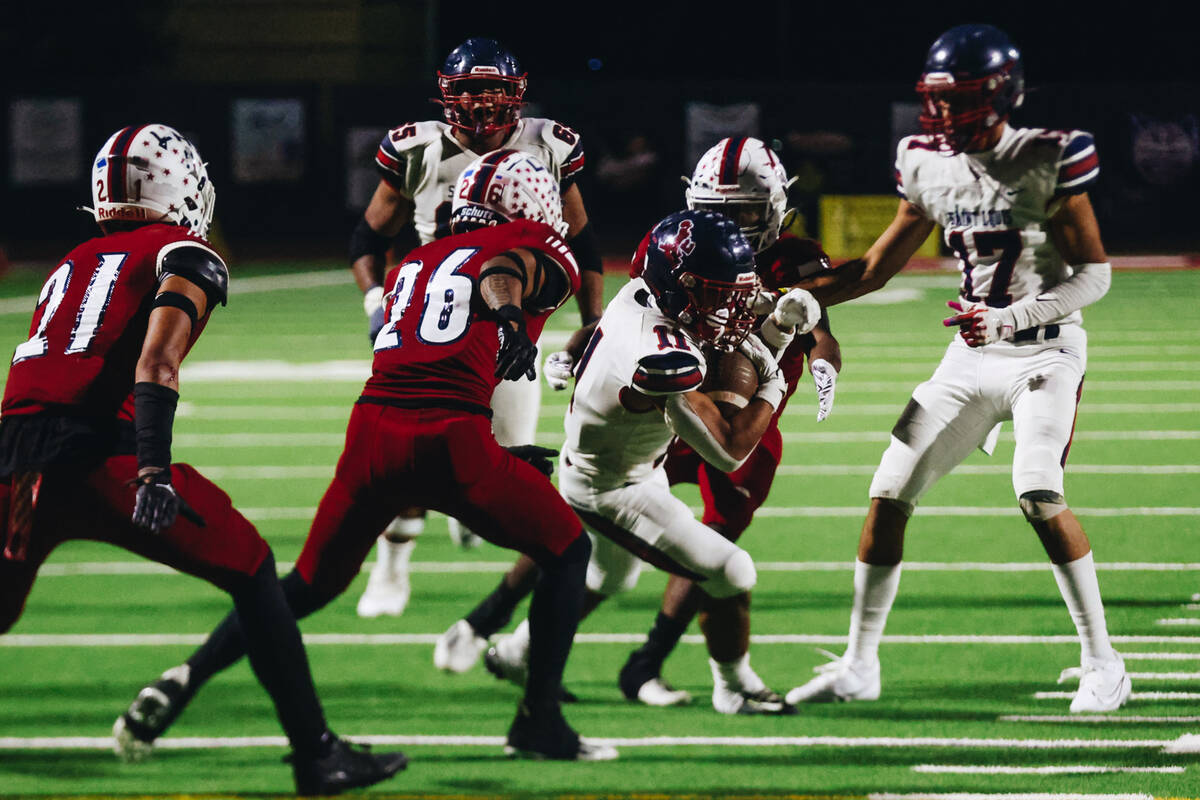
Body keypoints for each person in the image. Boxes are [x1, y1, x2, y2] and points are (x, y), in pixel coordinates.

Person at [115, 149, 617, 761]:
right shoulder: (526, 245)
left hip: (373, 432)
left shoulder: (418, 257)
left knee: (305, 584)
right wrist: (511, 317)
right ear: (529, 208)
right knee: (568, 550)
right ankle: (539, 723)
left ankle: (183, 678)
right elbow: (503, 268)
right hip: (449, 440)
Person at [0, 124, 407, 795]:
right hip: (100, 456)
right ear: (176, 183)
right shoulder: (185, 253)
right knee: (251, 566)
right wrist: (154, 468)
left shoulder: (72, 259)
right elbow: (156, 362)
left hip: (17, 459)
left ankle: (319, 752)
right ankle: (317, 754)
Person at [784, 24, 1130, 714]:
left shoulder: (1045, 156)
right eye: (938, 100)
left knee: (1037, 491)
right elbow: (877, 268)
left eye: (962, 99)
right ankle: (858, 664)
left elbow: (1094, 275)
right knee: (887, 495)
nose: (944, 115)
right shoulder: (922, 161)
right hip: (967, 357)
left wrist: (1011, 318)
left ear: (1002, 94)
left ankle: (1105, 663)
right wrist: (794, 299)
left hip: (1046, 351)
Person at [434, 138, 842, 709]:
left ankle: (518, 654)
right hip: (609, 486)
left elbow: (717, 318)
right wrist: (773, 369)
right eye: (721, 295)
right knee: (733, 570)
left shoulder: (650, 292)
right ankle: (731, 688)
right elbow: (727, 450)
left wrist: (775, 323)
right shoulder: (664, 355)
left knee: (610, 577)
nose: (732, 307)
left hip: (627, 463)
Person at [349, 37, 606, 619]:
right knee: (411, 454)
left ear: (516, 96)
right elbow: (369, 235)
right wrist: (374, 302)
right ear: (445, 95)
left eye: (492, 91)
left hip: (510, 314)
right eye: (468, 91)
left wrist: (592, 322)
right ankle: (392, 567)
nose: (482, 105)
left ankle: (466, 508)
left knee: (508, 461)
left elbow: (582, 237)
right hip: (432, 315)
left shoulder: (549, 145)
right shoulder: (416, 147)